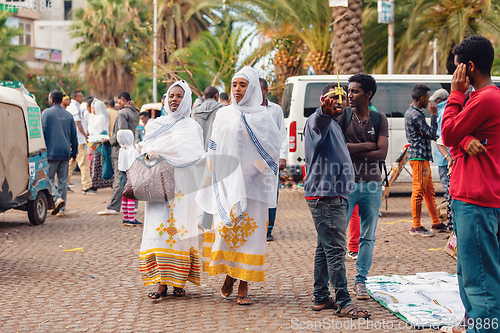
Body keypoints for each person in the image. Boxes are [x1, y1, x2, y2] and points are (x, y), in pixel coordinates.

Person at [197, 66, 281, 306]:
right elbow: (215, 149)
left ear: (252, 88)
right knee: (227, 234)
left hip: (253, 187)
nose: (237, 90)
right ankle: (230, 275)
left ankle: (244, 284)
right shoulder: (224, 115)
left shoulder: (263, 117)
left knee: (251, 236)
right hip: (227, 184)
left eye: (242, 85)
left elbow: (272, 152)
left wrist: (251, 172)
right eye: (234, 85)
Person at [441, 35, 500, 333]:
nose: (454, 76)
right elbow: (453, 141)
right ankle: (473, 323)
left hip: (477, 198)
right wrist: (465, 140)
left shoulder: (485, 98)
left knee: (481, 280)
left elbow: (448, 132)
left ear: (470, 67)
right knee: (468, 272)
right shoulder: (481, 99)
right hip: (470, 197)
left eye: (456, 69)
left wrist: (455, 95)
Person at [304, 82, 370, 318]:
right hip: (325, 195)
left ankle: (321, 297)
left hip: (333, 194)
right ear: (323, 99)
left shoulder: (335, 124)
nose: (339, 100)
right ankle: (343, 300)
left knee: (324, 247)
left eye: (341, 97)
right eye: (333, 97)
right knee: (335, 250)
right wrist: (324, 111)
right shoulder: (318, 121)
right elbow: (319, 120)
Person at [139, 80, 205, 299]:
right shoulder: (154, 125)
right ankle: (160, 283)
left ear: (186, 99)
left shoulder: (192, 127)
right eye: (171, 96)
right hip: (159, 187)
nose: (174, 99)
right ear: (165, 99)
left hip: (183, 189)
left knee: (181, 232)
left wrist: (168, 154)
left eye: (179, 96)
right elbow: (145, 151)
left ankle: (178, 281)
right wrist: (154, 154)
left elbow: (196, 156)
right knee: (157, 232)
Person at [336, 74, 388, 300]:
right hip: (346, 184)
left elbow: (382, 153)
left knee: (368, 236)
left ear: (368, 94)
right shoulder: (342, 116)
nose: (349, 95)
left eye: (355, 91)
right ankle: (338, 284)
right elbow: (338, 148)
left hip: (372, 185)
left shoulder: (379, 119)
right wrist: (368, 145)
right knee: (338, 234)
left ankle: (360, 282)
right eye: (349, 90)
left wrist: (352, 148)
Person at [405, 83, 448, 236]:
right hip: (419, 158)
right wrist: (434, 115)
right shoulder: (416, 115)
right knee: (419, 191)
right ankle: (416, 226)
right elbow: (431, 133)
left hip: (421, 157)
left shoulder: (413, 112)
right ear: (422, 98)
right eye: (428, 98)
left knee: (429, 191)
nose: (429, 102)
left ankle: (436, 223)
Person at [98, 91, 139, 215]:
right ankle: (134, 205)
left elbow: (120, 133)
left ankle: (113, 207)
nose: (117, 104)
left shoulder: (122, 113)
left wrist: (108, 141)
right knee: (130, 178)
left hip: (120, 150)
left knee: (119, 178)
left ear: (122, 99)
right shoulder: (134, 111)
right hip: (131, 147)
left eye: (118, 101)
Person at [259, 78, 288, 241]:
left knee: (271, 195)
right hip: (253, 162)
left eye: (259, 89)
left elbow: (282, 135)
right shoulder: (247, 110)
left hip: (271, 160)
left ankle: (268, 229)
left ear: (266, 91)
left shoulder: (275, 110)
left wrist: (283, 157)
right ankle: (255, 227)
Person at [41, 91, 78, 217]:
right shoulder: (68, 115)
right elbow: (74, 135)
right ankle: (62, 210)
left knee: (48, 178)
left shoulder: (46, 113)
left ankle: (57, 199)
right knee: (63, 181)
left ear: (51, 99)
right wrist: (75, 152)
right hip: (65, 152)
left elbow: (43, 133)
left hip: (51, 152)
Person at [430, 88, 453, 229]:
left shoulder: (443, 111)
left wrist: (446, 156)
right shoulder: (445, 109)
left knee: (449, 190)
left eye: (435, 101)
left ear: (440, 100)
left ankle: (451, 224)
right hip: (446, 155)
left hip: (446, 157)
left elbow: (438, 136)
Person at [66, 91, 96, 195]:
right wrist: (85, 136)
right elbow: (78, 124)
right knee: (84, 164)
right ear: (74, 97)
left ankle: (64, 184)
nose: (82, 98)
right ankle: (87, 186)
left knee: (71, 163)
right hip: (79, 140)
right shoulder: (74, 108)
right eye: (80, 97)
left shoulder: (76, 107)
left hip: (76, 140)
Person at [88, 98, 114, 190]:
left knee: (102, 163)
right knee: (96, 164)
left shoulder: (102, 118)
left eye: (94, 108)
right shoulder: (94, 118)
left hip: (101, 144)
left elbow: (103, 131)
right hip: (95, 144)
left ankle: (103, 182)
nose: (93, 110)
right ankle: (96, 183)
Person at [117, 129, 140, 226]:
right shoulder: (132, 150)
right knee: (131, 196)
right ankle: (131, 218)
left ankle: (125, 218)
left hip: (122, 174)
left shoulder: (122, 149)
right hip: (131, 175)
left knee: (125, 196)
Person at [192, 86, 224, 151]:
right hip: (215, 151)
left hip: (198, 151)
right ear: (216, 96)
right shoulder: (222, 110)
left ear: (204, 97)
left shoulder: (195, 112)